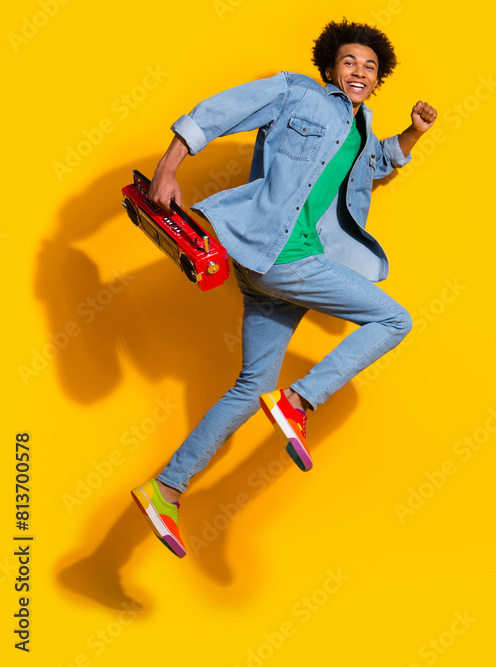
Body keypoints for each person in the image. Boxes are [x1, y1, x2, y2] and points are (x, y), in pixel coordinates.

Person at [129, 19, 436, 558]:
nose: (359, 72)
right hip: (279, 253)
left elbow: (378, 163)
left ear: (377, 78)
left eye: (369, 66)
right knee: (394, 320)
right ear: (329, 68)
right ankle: (298, 400)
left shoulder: (362, 125)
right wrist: (168, 167)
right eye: (349, 63)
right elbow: (216, 112)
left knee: (251, 386)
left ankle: (167, 488)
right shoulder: (296, 92)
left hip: (267, 269)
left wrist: (412, 133)